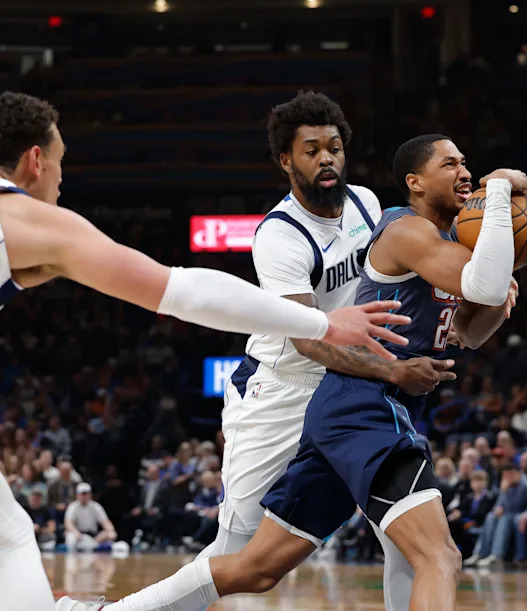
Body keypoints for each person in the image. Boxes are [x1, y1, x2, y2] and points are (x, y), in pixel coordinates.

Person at [0, 92, 410, 611]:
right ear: (36, 161)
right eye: (61, 163)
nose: (61, 181)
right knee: (8, 538)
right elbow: (182, 291)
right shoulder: (30, 218)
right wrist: (321, 323)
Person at [64, 137, 527, 610]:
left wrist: (503, 283)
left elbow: (472, 329)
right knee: (438, 556)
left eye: (466, 163)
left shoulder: (453, 243)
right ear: (415, 182)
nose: (466, 172)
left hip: (352, 408)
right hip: (366, 405)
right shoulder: (405, 230)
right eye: (449, 163)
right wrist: (501, 190)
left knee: (257, 568)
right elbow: (484, 282)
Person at [194, 92, 453, 611]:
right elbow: (309, 339)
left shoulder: (367, 204)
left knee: (410, 538)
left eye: (333, 147)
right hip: (281, 389)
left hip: (350, 386)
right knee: (239, 552)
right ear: (287, 160)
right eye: (311, 150)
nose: (326, 158)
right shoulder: (279, 236)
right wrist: (395, 369)